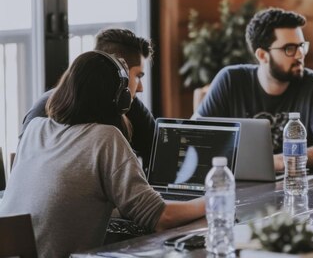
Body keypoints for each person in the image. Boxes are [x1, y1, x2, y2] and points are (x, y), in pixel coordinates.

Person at [0, 51, 204, 258]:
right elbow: (161, 218)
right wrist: (212, 200)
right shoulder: (105, 138)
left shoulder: (35, 128)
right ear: (119, 100)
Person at [193, 8, 313, 171]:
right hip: (239, 185)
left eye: (301, 46)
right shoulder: (230, 80)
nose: (300, 55)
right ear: (262, 55)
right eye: (289, 49)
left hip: (296, 184)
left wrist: (284, 160)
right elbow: (194, 136)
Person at [20, 28, 155, 172]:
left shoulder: (124, 102)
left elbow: (157, 150)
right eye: (138, 76)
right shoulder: (46, 111)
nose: (141, 88)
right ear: (121, 72)